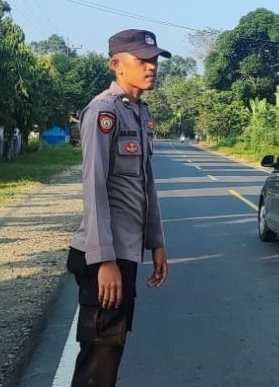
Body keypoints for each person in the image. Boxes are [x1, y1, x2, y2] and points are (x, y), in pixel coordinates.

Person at [67, 29, 171, 386]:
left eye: (154, 60)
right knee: (98, 361)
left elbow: (146, 185)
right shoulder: (103, 112)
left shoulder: (139, 114)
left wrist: (156, 242)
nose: (152, 67)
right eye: (142, 59)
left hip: (126, 251)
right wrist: (104, 261)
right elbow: (94, 188)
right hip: (105, 256)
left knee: (111, 353)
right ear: (116, 64)